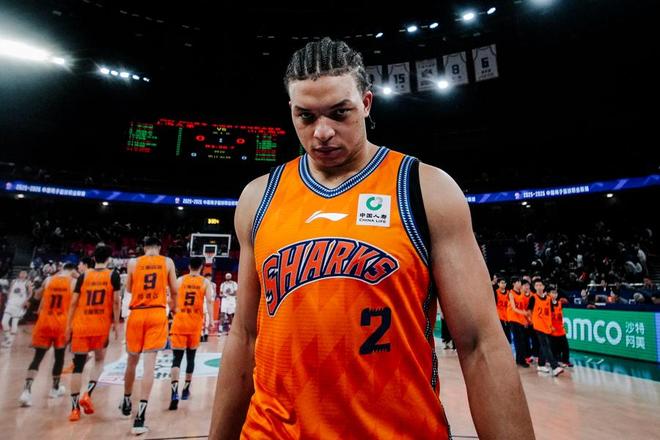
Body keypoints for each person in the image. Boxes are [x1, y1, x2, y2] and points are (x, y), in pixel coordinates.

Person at [210, 37, 534, 439]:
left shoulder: (424, 189)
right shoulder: (258, 197)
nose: (322, 132)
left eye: (339, 113)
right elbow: (244, 337)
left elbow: (480, 345)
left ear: (365, 103)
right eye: (305, 116)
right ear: (291, 111)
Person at [121, 237, 178, 435]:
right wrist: (174, 307)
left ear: (144, 247)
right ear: (159, 247)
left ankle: (126, 399)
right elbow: (175, 290)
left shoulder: (133, 262)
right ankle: (140, 418)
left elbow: (129, 288)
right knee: (149, 367)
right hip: (156, 313)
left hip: (137, 313)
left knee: (131, 362)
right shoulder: (167, 262)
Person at [64, 245, 121, 421]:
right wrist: (116, 323)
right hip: (100, 326)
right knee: (99, 360)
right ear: (109, 259)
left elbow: (73, 303)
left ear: (93, 258)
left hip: (81, 325)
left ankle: (74, 409)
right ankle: (87, 394)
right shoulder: (113, 275)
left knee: (78, 366)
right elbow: (116, 302)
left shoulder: (83, 276)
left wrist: (68, 326)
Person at [19, 262, 76, 407]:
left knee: (37, 358)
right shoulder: (73, 282)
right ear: (73, 270)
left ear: (62, 269)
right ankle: (55, 388)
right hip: (61, 324)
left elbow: (37, 296)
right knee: (59, 357)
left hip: (44, 322)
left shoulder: (49, 280)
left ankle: (26, 391)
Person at [168, 257, 215, 410]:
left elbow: (171, 298)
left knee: (176, 359)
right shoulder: (205, 282)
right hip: (195, 324)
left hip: (179, 322)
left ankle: (174, 392)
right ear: (202, 267)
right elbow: (209, 301)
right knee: (191, 358)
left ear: (189, 266)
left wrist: (173, 311)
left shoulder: (180, 280)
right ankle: (186, 390)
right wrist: (211, 320)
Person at [528, 280, 563, 376]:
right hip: (538, 326)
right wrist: (531, 320)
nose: (539, 287)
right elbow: (529, 311)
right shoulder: (533, 298)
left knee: (544, 346)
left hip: (547, 326)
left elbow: (551, 313)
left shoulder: (548, 299)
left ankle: (541, 365)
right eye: (536, 285)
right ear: (534, 287)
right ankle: (555, 367)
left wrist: (551, 325)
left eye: (540, 285)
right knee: (546, 346)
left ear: (543, 287)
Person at [2, 270, 33, 348]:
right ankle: (7, 336)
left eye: (24, 273)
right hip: (11, 303)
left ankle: (10, 341)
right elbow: (10, 291)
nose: (22, 274)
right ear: (19, 274)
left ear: (26, 275)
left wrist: (26, 301)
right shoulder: (14, 281)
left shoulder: (27, 282)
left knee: (14, 323)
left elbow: (30, 293)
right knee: (4, 322)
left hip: (19, 304)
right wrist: (8, 299)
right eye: (21, 273)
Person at [507, 277, 530, 367]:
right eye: (518, 282)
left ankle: (520, 359)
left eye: (520, 282)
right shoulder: (511, 293)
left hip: (520, 319)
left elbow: (523, 307)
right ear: (513, 283)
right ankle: (521, 360)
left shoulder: (522, 293)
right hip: (513, 319)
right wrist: (524, 313)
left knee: (522, 340)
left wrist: (527, 319)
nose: (520, 283)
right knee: (518, 341)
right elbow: (514, 308)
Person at [549, 287, 572, 367]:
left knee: (565, 347)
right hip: (552, 330)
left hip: (561, 329)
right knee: (554, 348)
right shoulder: (547, 304)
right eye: (553, 293)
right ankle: (555, 361)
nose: (555, 295)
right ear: (549, 294)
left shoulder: (559, 303)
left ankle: (566, 361)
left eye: (556, 293)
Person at [495, 277, 511, 343]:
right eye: (502, 283)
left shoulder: (509, 293)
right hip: (500, 315)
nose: (503, 284)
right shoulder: (496, 292)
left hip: (508, 315)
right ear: (498, 284)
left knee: (508, 333)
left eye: (504, 283)